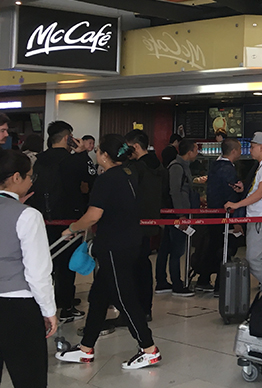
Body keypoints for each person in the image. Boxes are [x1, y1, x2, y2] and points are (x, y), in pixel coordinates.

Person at [56, 135, 161, 370]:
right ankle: (86, 348)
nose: (96, 154)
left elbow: (94, 215)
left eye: (98, 151)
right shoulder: (129, 173)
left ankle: (149, 349)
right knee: (99, 297)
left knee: (124, 297)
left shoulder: (107, 180)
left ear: (104, 155)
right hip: (130, 241)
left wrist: (72, 228)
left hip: (114, 245)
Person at [0, 150, 58, 388]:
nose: (31, 182)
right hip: (17, 310)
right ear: (15, 177)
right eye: (28, 177)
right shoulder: (27, 216)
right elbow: (37, 272)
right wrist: (49, 311)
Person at [28, 121, 85, 323]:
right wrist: (81, 154)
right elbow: (88, 179)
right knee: (67, 264)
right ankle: (67, 306)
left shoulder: (38, 159)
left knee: (46, 262)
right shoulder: (71, 160)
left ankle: (48, 303)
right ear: (67, 137)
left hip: (42, 218)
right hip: (68, 218)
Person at [225, 132, 262, 290]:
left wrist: (238, 204)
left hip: (261, 219)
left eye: (253, 147)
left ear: (261, 147)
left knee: (253, 259)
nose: (250, 150)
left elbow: (261, 192)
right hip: (258, 218)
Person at [124, 130, 168, 320]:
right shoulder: (159, 167)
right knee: (143, 265)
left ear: (134, 146)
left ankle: (135, 309)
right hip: (150, 222)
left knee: (133, 268)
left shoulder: (135, 169)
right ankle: (145, 308)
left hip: (133, 222)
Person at [155, 138, 199, 297]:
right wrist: (181, 215)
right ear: (189, 152)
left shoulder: (181, 166)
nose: (197, 152)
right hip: (176, 215)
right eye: (196, 149)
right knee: (176, 250)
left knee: (166, 248)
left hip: (174, 213)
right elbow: (175, 191)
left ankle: (162, 281)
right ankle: (176, 283)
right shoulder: (177, 167)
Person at [202, 137, 244, 295]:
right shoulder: (228, 170)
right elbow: (231, 196)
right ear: (233, 151)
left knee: (213, 247)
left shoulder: (214, 166)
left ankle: (204, 279)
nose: (241, 152)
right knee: (226, 249)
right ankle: (220, 285)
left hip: (213, 214)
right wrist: (236, 220)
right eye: (239, 149)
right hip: (225, 216)